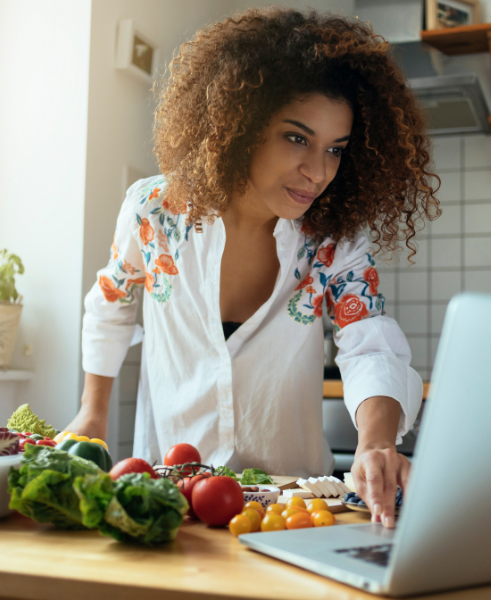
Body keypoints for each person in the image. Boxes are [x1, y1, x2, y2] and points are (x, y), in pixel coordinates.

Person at [67, 8, 440, 529]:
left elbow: (369, 340)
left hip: (294, 509)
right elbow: (111, 301)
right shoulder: (154, 211)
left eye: (335, 149)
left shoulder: (331, 241)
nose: (318, 171)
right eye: (296, 138)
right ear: (239, 124)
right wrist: (93, 413)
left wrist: (375, 442)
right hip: (170, 500)